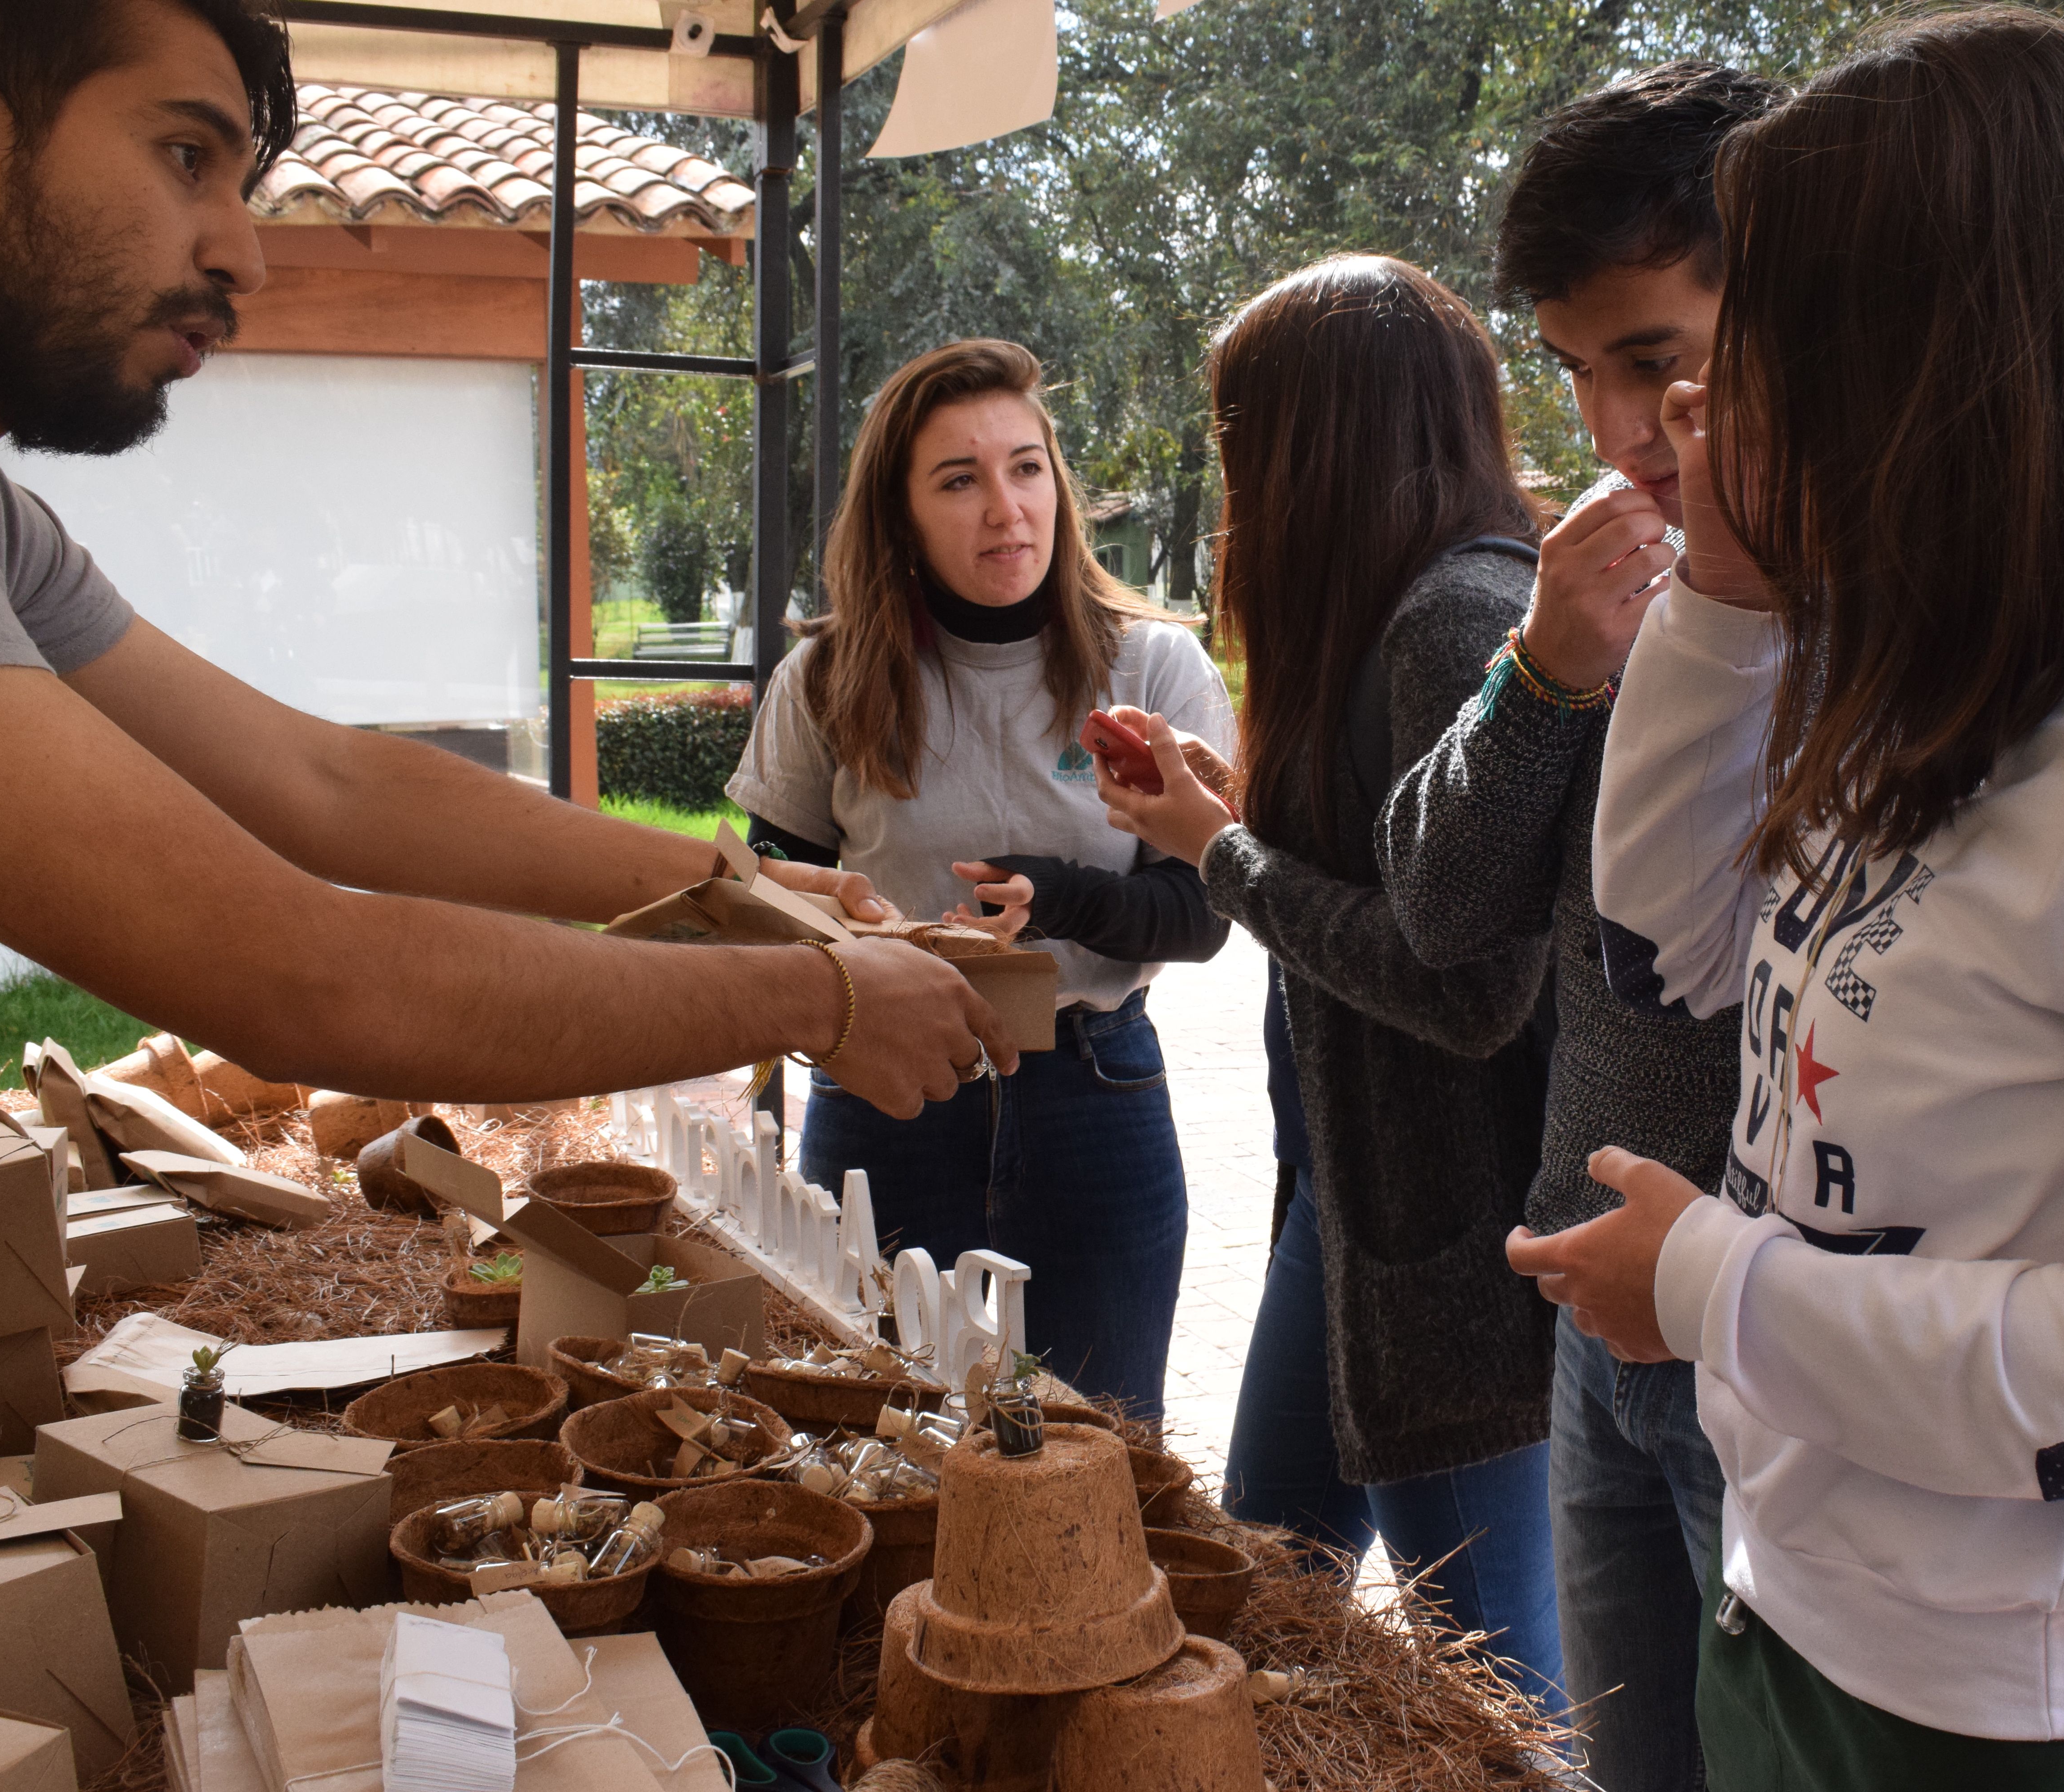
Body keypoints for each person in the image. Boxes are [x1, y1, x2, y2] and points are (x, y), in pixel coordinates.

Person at [1513, 11, 2064, 1786]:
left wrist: (1714, 1289)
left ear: (1929, 355)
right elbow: (1666, 946)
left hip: (2038, 1724)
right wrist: (1735, 590)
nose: (1705, 406)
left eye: (1761, 337)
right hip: (1816, 1635)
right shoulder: (1935, 669)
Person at [0, 0, 1016, 1114]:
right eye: (187, 157)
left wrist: (729, 884)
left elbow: (328, 783)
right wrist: (820, 998)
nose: (245, 256)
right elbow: (303, 976)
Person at [1375, 61, 1783, 1792]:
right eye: (1577, 370)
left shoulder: (1887, 625)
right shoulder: (1593, 602)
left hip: (1772, 1352)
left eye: (1657, 355)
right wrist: (1545, 670)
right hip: (1595, 1318)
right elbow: (1440, 904)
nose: (1621, 427)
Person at [1092, 255, 1562, 1705]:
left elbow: (1476, 989)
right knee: (1258, 1599)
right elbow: (1391, 874)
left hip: (1453, 1267)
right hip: (1350, 1222)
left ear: (1319, 440)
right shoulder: (1392, 616)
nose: (1231, 478)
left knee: (1502, 1697)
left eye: (1242, 435)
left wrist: (1222, 851)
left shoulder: (1455, 618)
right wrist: (1229, 810)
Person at [727, 338, 1232, 1423]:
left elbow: (1204, 915)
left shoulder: (1154, 668)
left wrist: (1059, 896)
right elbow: (764, 899)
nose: (1005, 507)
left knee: (1100, 1454)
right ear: (900, 513)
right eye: (959, 480)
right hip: (887, 1096)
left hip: (1096, 1097)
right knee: (887, 1439)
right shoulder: (827, 677)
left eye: (1026, 467)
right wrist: (846, 946)